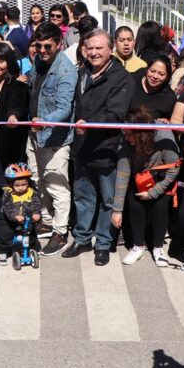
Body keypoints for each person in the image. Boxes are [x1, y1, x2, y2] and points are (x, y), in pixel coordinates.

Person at [65, 29, 131, 266]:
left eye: (99, 48)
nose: (93, 52)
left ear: (110, 49)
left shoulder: (121, 77)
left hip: (106, 148)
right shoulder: (81, 72)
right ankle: (82, 238)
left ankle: (103, 243)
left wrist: (90, 126)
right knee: (83, 196)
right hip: (81, 147)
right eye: (89, 47)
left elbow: (116, 113)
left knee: (107, 200)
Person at [27, 22, 77, 256]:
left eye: (48, 46)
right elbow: (32, 82)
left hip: (54, 138)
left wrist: (44, 121)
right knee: (37, 179)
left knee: (56, 185)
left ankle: (60, 231)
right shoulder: (39, 61)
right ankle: (46, 220)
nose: (42, 51)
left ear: (59, 44)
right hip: (35, 135)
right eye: (38, 46)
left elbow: (64, 108)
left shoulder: (66, 71)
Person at [114, 107, 178, 267]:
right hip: (138, 177)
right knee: (135, 205)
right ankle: (138, 245)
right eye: (124, 132)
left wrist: (154, 192)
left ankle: (158, 247)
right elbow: (122, 175)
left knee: (160, 208)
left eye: (129, 134)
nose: (126, 137)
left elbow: (174, 168)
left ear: (141, 134)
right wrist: (117, 210)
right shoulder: (125, 141)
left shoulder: (164, 137)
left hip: (162, 178)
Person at [0, 42, 29, 249]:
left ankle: (3, 234)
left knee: (4, 188)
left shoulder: (16, 85)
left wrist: (13, 116)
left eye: (1, 60)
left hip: (7, 145)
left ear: (8, 62)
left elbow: (17, 105)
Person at [0, 163, 42, 265]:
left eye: (24, 184)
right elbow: (8, 207)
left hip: (26, 218)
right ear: (11, 184)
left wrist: (36, 213)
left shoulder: (31, 192)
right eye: (17, 185)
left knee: (31, 234)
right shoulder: (8, 193)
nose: (21, 188)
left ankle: (32, 249)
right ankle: (2, 251)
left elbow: (36, 204)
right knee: (6, 236)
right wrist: (15, 216)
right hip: (9, 219)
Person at [129, 55, 177, 121]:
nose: (155, 76)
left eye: (161, 74)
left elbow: (170, 119)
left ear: (167, 77)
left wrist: (166, 121)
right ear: (147, 69)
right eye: (152, 71)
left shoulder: (169, 98)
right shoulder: (131, 80)